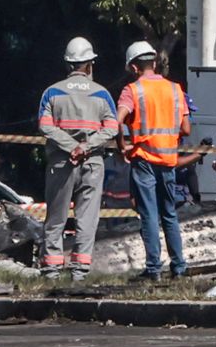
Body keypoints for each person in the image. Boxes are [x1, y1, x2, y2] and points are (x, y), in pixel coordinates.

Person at [36, 37, 118, 281]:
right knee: (87, 218)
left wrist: (71, 147)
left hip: (62, 163)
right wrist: (86, 146)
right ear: (90, 65)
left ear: (68, 65)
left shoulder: (51, 92)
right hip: (92, 163)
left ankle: (51, 270)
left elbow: (45, 126)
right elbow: (112, 128)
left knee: (56, 217)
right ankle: (80, 272)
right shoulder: (102, 94)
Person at [116, 40, 191, 281]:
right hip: (168, 160)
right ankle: (179, 268)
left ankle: (154, 270)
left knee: (149, 214)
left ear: (134, 67)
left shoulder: (132, 90)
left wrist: (122, 146)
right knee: (169, 214)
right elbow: (186, 128)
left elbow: (117, 120)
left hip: (145, 160)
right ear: (155, 63)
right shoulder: (175, 89)